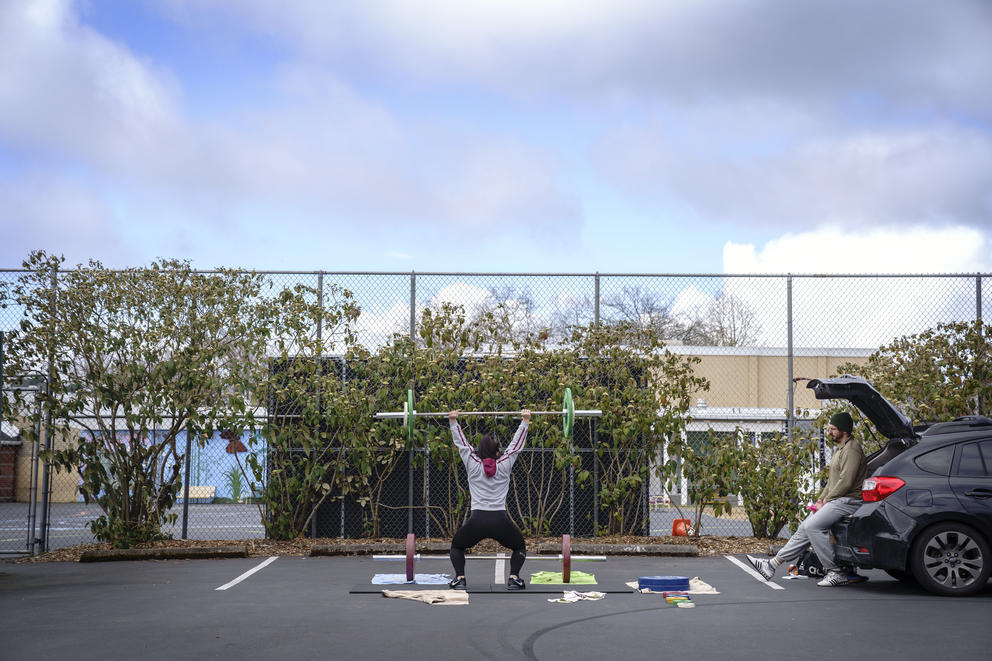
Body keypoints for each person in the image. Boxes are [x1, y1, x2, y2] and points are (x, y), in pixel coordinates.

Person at [747, 411, 868, 587]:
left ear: (844, 431)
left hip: (848, 501)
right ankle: (771, 565)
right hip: (837, 499)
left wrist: (827, 500)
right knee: (805, 526)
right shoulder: (841, 448)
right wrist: (821, 499)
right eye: (829, 428)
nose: (830, 432)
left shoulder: (852, 449)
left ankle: (835, 571)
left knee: (813, 526)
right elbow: (833, 481)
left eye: (833, 429)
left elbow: (846, 481)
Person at [447, 408, 530, 591]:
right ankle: (514, 578)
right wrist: (525, 421)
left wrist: (453, 422)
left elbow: (462, 444)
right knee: (519, 546)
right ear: (498, 453)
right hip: (499, 520)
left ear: (480, 451)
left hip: (477, 520)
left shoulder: (472, 463)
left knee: (457, 546)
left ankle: (460, 579)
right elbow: (515, 447)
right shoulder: (505, 463)